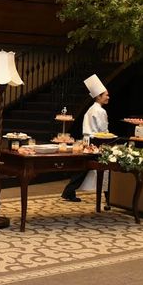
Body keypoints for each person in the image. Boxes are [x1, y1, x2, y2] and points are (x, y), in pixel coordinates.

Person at [61, 74, 110, 202]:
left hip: (87, 141)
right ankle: (109, 196)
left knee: (83, 168)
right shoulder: (100, 111)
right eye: (106, 95)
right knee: (106, 168)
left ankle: (69, 192)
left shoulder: (90, 109)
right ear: (98, 96)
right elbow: (103, 130)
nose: (108, 97)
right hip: (96, 142)